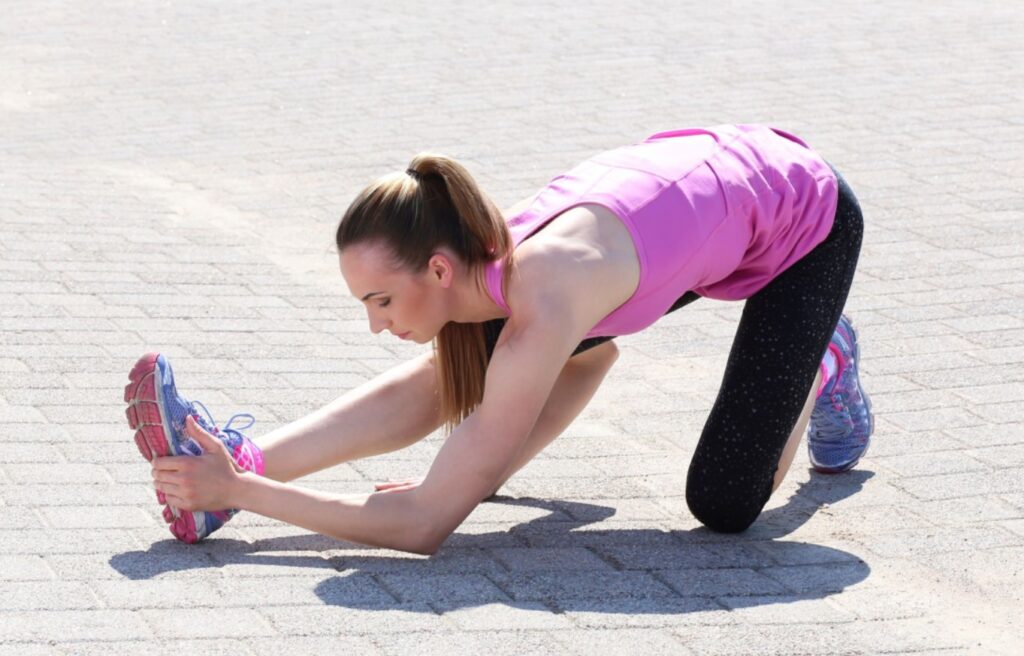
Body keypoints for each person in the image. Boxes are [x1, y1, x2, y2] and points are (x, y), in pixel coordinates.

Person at [125, 124, 872, 553]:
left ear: (440, 267)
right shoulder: (486, 261)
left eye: (382, 300)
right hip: (695, 218)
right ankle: (237, 454)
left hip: (801, 217)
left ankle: (825, 355)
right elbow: (588, 360)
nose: (375, 323)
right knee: (455, 371)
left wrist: (246, 496)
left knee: (725, 503)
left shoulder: (544, 293)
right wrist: (244, 479)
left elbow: (422, 527)